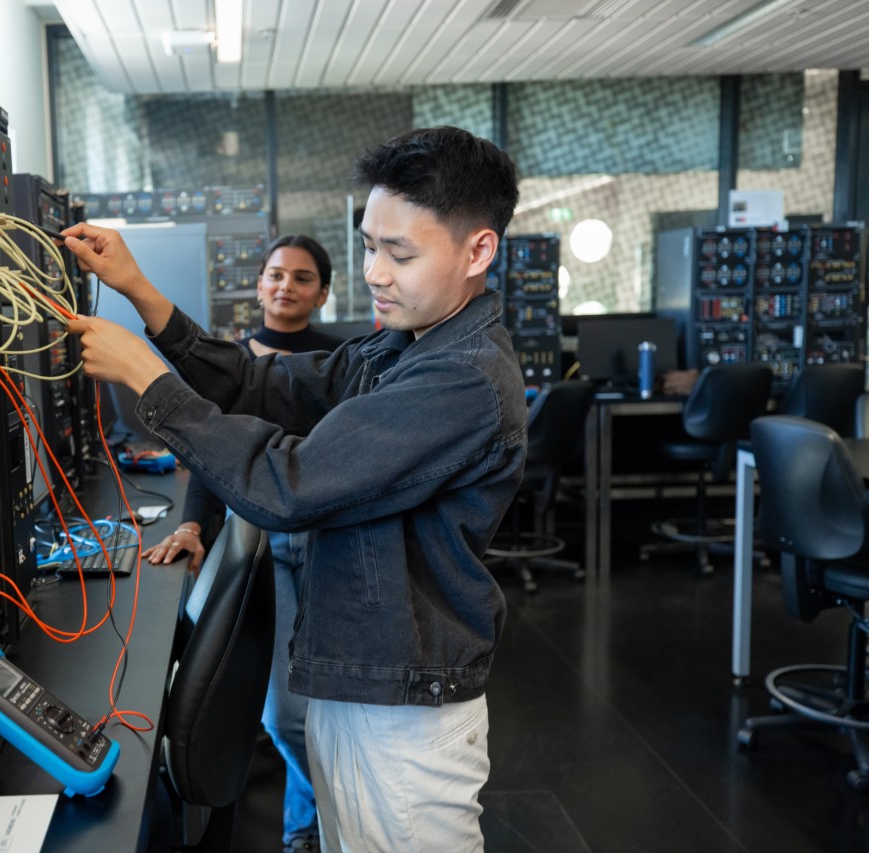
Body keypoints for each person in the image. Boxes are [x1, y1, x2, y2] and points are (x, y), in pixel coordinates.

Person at [65, 125, 526, 852]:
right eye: (370, 245)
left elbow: (289, 484)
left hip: (401, 711)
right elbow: (261, 385)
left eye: (399, 252)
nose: (375, 271)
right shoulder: (402, 345)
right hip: (358, 683)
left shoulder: (461, 377)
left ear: (478, 251)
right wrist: (142, 295)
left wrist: (152, 385)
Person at [144, 234, 343, 853]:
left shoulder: (340, 365)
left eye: (302, 277)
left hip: (325, 542)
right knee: (286, 715)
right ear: (258, 284)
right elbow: (215, 462)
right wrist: (195, 526)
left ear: (323, 292)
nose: (286, 286)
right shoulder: (226, 366)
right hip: (258, 542)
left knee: (323, 707)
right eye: (276, 275)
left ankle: (304, 833)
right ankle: (339, 821)